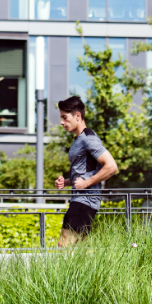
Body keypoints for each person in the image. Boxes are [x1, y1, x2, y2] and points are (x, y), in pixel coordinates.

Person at [53, 96, 119, 247]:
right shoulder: (79, 139)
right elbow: (85, 172)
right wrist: (67, 182)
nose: (61, 122)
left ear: (77, 115)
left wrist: (86, 183)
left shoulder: (89, 138)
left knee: (64, 245)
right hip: (83, 200)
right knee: (83, 251)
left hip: (85, 201)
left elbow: (111, 166)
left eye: (65, 117)